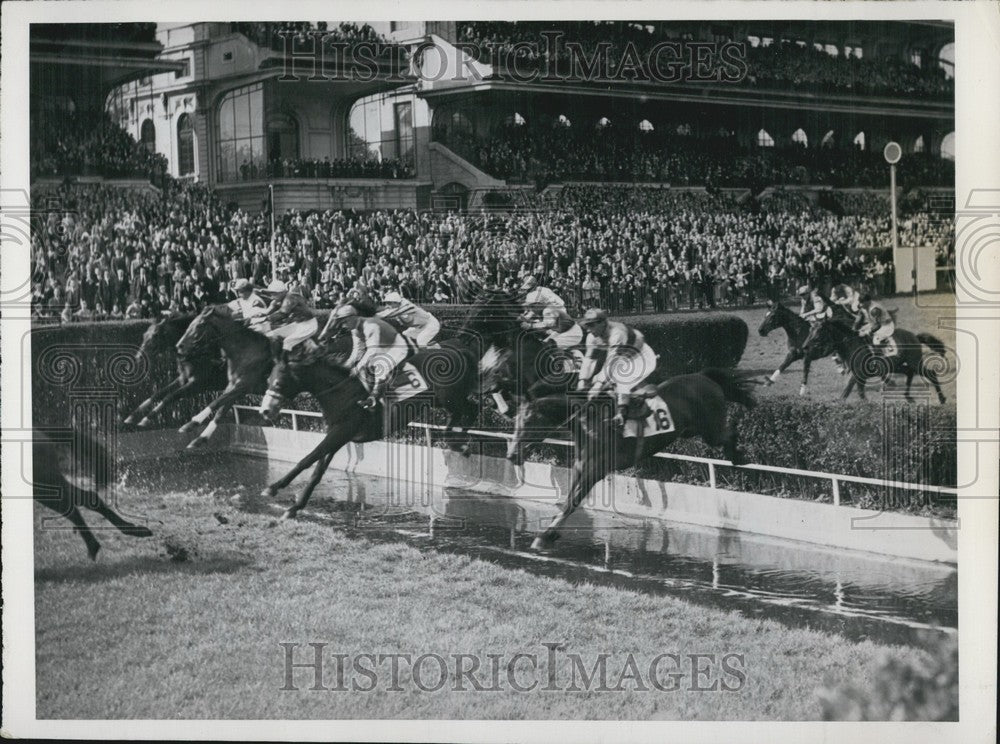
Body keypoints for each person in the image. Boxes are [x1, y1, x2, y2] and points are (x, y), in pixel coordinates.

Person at [576, 308, 658, 428]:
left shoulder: (617, 333)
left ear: (603, 323)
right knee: (595, 381)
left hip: (642, 357)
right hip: (622, 357)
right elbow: (588, 360)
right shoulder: (591, 336)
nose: (588, 330)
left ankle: (621, 415)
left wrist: (598, 385)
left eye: (591, 325)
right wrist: (582, 381)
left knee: (621, 378)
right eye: (586, 326)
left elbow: (612, 362)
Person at [324, 303, 413, 410]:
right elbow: (358, 350)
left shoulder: (370, 326)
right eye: (341, 322)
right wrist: (347, 365)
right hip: (381, 345)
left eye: (344, 321)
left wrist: (357, 368)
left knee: (381, 365)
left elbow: (372, 352)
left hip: (397, 346)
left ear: (353, 317)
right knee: (365, 366)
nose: (343, 325)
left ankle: (373, 399)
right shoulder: (354, 328)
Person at [263, 285, 319, 357]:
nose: (271, 296)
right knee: (272, 334)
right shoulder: (284, 298)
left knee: (287, 342)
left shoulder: (290, 298)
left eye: (274, 293)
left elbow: (282, 314)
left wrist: (264, 319)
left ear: (282, 292)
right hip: (298, 324)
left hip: (309, 325)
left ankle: (282, 363)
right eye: (270, 293)